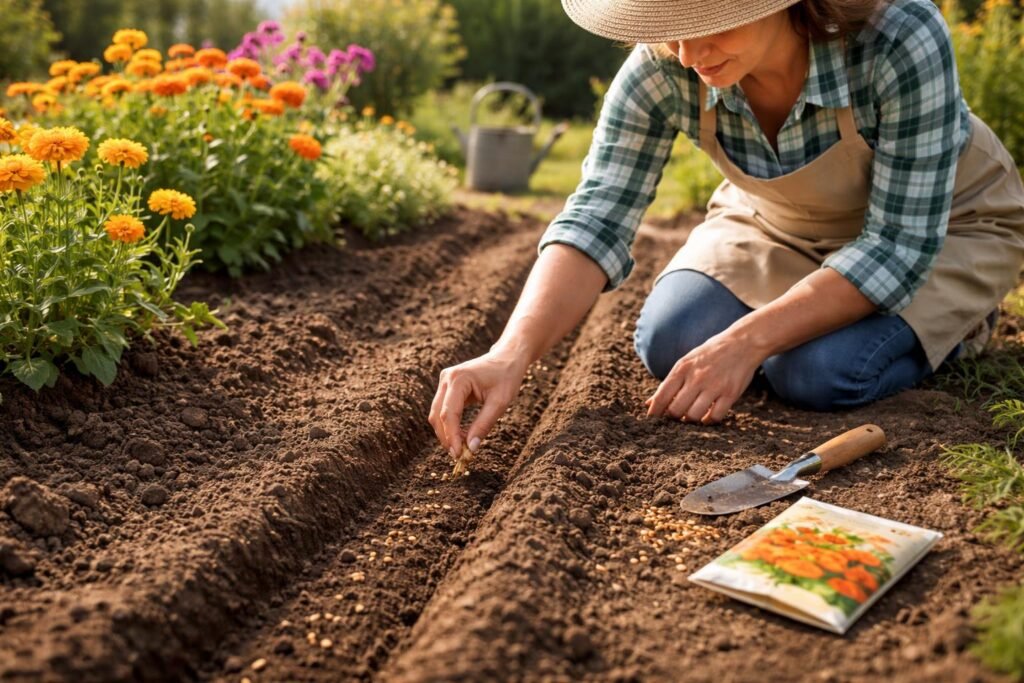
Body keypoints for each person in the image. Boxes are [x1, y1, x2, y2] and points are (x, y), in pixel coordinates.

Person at [429, 0, 1024, 462]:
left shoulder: (897, 38)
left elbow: (896, 246)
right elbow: (597, 213)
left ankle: (956, 323)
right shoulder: (662, 67)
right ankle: (806, 326)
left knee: (817, 374)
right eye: (671, 25)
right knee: (672, 339)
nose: (688, 54)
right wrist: (511, 354)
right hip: (781, 225)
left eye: (711, 21)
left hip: (945, 227)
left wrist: (745, 342)